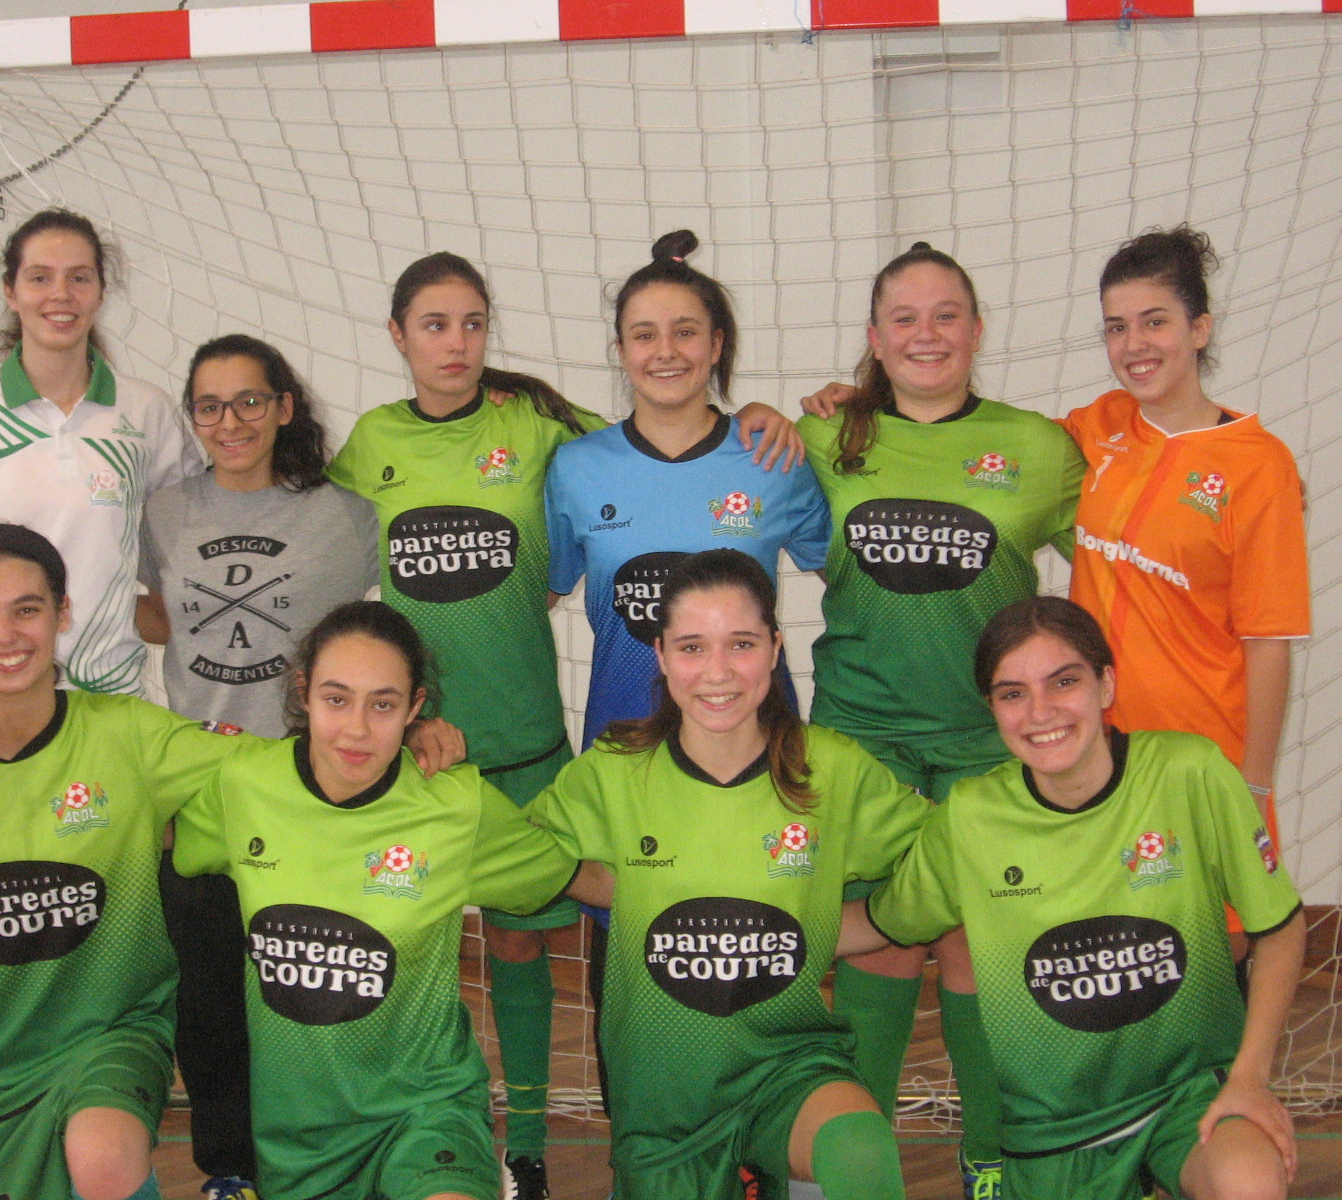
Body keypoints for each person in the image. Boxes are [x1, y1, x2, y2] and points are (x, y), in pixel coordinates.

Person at [326, 251, 800, 1193]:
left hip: (530, 736)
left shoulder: (546, 433)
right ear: (397, 334)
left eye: (472, 322)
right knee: (402, 942)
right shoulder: (370, 441)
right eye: (434, 324)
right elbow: (309, 522)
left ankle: (538, 1147)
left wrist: (762, 409)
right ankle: (409, 1136)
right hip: (410, 742)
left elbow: (655, 427)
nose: (456, 342)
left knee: (526, 940)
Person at [795, 241, 1086, 1191]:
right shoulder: (823, 440)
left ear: (977, 329)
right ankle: (861, 1164)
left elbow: (1132, 541)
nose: (927, 334)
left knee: (977, 944)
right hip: (861, 737)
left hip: (987, 742)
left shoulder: (1040, 448)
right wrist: (760, 415)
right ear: (875, 337)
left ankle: (990, 1163)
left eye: (946, 314)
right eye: (905, 318)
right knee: (877, 938)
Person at [848, 595, 1305, 1200]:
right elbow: (881, 922)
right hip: (1053, 1128)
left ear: (1105, 684)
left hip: (1188, 1094)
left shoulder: (1188, 772)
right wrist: (767, 927)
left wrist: (1250, 1077)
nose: (1041, 712)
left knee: (1250, 1182)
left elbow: (1281, 927)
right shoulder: (972, 817)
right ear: (992, 709)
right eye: (1013, 693)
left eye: (1063, 682)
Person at [529, 549, 927, 1200]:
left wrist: (875, 921)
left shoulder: (833, 769)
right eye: (692, 647)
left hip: (787, 1066)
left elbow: (945, 860)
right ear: (661, 655)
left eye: (741, 643)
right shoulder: (612, 771)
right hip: (662, 1099)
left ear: (775, 648)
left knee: (860, 1151)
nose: (717, 672)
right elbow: (522, 855)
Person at [172, 600, 603, 1200]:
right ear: (303, 693)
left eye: (382, 704)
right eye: (336, 699)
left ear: (415, 708)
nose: (356, 729)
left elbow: (581, 877)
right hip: (299, 1135)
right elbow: (148, 833)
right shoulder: (242, 784)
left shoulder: (454, 805)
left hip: (425, 1109)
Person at [0, 525, 244, 1200]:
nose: (6, 635)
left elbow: (282, 770)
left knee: (100, 1158)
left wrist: (400, 732)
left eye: (27, 609)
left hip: (114, 1035)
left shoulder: (129, 735)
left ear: (62, 614)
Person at [135, 334, 378, 1200]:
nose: (229, 421)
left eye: (248, 401)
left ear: (283, 407)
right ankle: (231, 1167)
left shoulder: (347, 516)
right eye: (209, 405)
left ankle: (329, 1154)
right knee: (209, 998)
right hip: (202, 795)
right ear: (192, 417)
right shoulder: (163, 512)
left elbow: (396, 629)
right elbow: (155, 615)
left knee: (311, 983)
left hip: (309, 795)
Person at [1063, 227, 1309, 914]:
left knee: (1210, 945)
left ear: (1199, 329)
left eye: (1155, 321)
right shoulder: (1100, 425)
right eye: (1117, 327)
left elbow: (1269, 642)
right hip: (1095, 750)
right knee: (1108, 943)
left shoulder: (1259, 465)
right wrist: (868, 397)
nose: (1133, 344)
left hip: (1202, 753)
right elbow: (993, 445)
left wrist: (1252, 787)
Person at [0, 208, 196, 721]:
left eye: (79, 278)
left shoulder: (146, 412)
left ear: (100, 293)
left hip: (105, 702)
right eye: (40, 278)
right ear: (11, 292)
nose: (60, 294)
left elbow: (186, 572)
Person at [546, 229, 827, 747]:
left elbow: (861, 585)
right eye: (644, 335)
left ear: (716, 344)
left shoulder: (771, 457)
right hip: (625, 740)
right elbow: (534, 597)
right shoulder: (575, 467)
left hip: (755, 744)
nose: (666, 352)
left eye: (685, 332)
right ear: (621, 350)